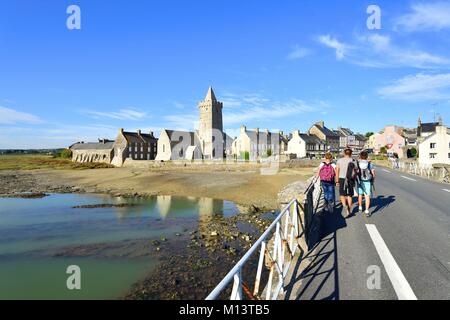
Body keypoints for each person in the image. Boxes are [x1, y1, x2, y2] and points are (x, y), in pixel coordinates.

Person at [335, 148, 357, 218]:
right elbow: (356, 171)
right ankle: (349, 210)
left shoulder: (339, 161)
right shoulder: (353, 161)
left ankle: (345, 208)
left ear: (344, 153)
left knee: (342, 194)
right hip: (350, 179)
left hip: (342, 179)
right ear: (351, 154)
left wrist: (337, 180)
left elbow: (337, 171)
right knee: (350, 195)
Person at [357, 151, 376, 217]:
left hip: (360, 180)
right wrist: (373, 180)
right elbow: (373, 173)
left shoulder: (358, 163)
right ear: (367, 156)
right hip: (367, 181)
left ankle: (360, 207)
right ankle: (367, 210)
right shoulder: (369, 164)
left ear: (360, 156)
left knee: (360, 194)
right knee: (367, 196)